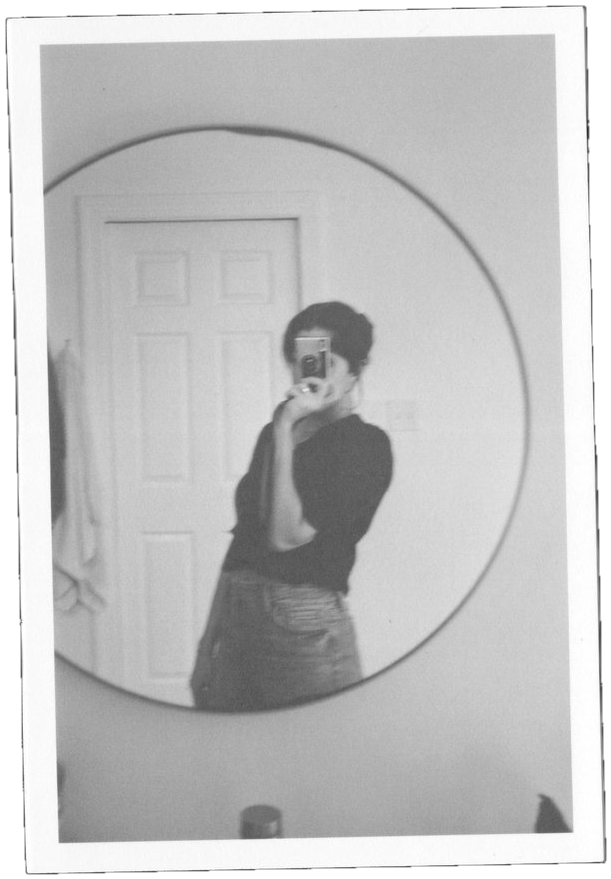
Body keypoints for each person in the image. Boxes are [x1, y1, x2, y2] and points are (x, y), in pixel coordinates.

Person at [190, 301, 393, 711]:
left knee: (316, 749)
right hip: (238, 622)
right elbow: (243, 546)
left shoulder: (365, 445)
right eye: (304, 360)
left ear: (355, 372)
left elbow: (285, 537)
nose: (309, 374)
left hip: (304, 628)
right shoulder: (274, 434)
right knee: (234, 748)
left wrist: (285, 426)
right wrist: (207, 644)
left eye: (326, 362)